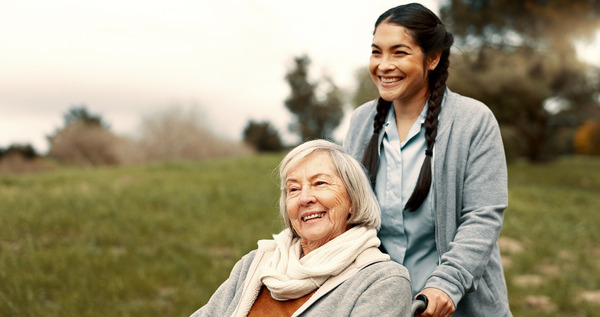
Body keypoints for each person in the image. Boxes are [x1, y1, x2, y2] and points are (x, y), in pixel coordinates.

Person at [343, 3, 511, 317]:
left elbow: (482, 217)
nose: (384, 65)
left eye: (399, 52)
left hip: (455, 304)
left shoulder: (474, 121)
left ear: (432, 58)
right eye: (377, 52)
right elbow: (348, 212)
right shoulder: (362, 122)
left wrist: (446, 284)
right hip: (379, 303)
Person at [190, 139, 412, 317]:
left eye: (320, 183)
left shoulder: (382, 281)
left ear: (353, 201)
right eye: (293, 189)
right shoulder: (254, 264)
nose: (305, 198)